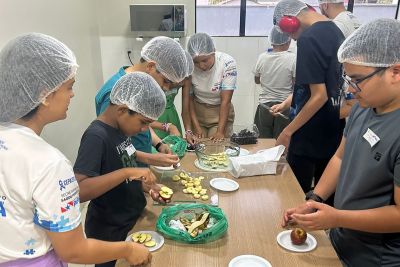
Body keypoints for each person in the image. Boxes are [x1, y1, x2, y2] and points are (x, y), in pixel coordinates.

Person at [0, 33, 151, 266]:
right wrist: (128, 249)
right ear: (45, 94)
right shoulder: (48, 163)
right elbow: (73, 250)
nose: (73, 94)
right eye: (69, 87)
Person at [281, 18, 400, 266]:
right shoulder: (363, 108)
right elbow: (339, 157)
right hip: (342, 240)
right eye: (346, 79)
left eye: (357, 79)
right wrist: (314, 200)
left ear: (395, 72)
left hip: (376, 257)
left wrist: (338, 218)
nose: (351, 88)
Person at [74, 72, 167, 267]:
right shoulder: (96, 136)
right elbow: (79, 191)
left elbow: (126, 164)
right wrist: (128, 173)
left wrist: (147, 187)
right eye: (143, 123)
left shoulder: (121, 132)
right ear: (123, 110)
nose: (144, 130)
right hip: (108, 229)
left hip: (131, 219)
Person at [272, 0, 344, 193]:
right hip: (331, 126)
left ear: (289, 22)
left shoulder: (309, 38)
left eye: (287, 32)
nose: (291, 38)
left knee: (294, 193)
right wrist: (289, 101)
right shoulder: (335, 30)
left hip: (308, 132)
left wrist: (287, 132)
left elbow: (319, 95)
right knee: (323, 191)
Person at [95, 36, 188, 167]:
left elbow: (144, 124)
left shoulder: (141, 86)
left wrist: (159, 144)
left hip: (140, 167)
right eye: (166, 81)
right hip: (124, 170)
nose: (166, 88)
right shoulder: (116, 92)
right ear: (150, 66)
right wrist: (150, 158)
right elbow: (113, 145)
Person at [184, 33, 237, 140]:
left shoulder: (227, 63)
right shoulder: (188, 66)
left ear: (214, 51)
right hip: (197, 112)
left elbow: (225, 101)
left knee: (215, 149)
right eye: (196, 62)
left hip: (220, 112)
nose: (201, 66)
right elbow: (188, 100)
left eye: (205, 60)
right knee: (198, 147)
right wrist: (196, 127)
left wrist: (220, 132)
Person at [319, 0, 361, 123]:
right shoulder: (354, 19)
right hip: (357, 83)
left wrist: (319, 121)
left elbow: (351, 106)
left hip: (349, 83)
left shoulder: (336, 26)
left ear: (325, 5)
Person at [253, 25, 296, 139]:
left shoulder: (262, 57)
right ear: (289, 40)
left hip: (264, 106)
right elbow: (296, 85)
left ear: (271, 41)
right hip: (284, 106)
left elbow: (257, 80)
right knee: (280, 143)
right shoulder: (293, 58)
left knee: (262, 142)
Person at [154, 51, 194, 140]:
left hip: (172, 115)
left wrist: (188, 131)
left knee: (175, 147)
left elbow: (185, 110)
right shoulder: (157, 77)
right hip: (154, 117)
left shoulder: (186, 79)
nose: (178, 82)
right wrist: (167, 126)